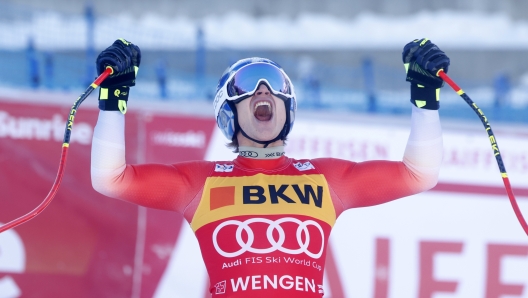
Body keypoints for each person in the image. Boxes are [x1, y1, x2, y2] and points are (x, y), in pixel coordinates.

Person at [91, 38, 448, 297]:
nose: (263, 90)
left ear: (287, 107)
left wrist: (425, 95)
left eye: (274, 86)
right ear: (229, 112)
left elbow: (420, 173)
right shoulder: (199, 184)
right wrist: (112, 99)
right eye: (248, 87)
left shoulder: (324, 179)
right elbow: (111, 179)